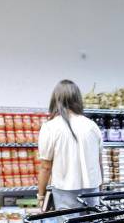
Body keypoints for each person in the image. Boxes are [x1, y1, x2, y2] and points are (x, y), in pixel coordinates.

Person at [37, 80, 102, 209]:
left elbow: (46, 167)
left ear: (55, 100)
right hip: (92, 190)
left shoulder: (50, 127)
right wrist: (100, 189)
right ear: (78, 99)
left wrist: (41, 195)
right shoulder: (92, 126)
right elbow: (99, 162)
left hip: (65, 191)